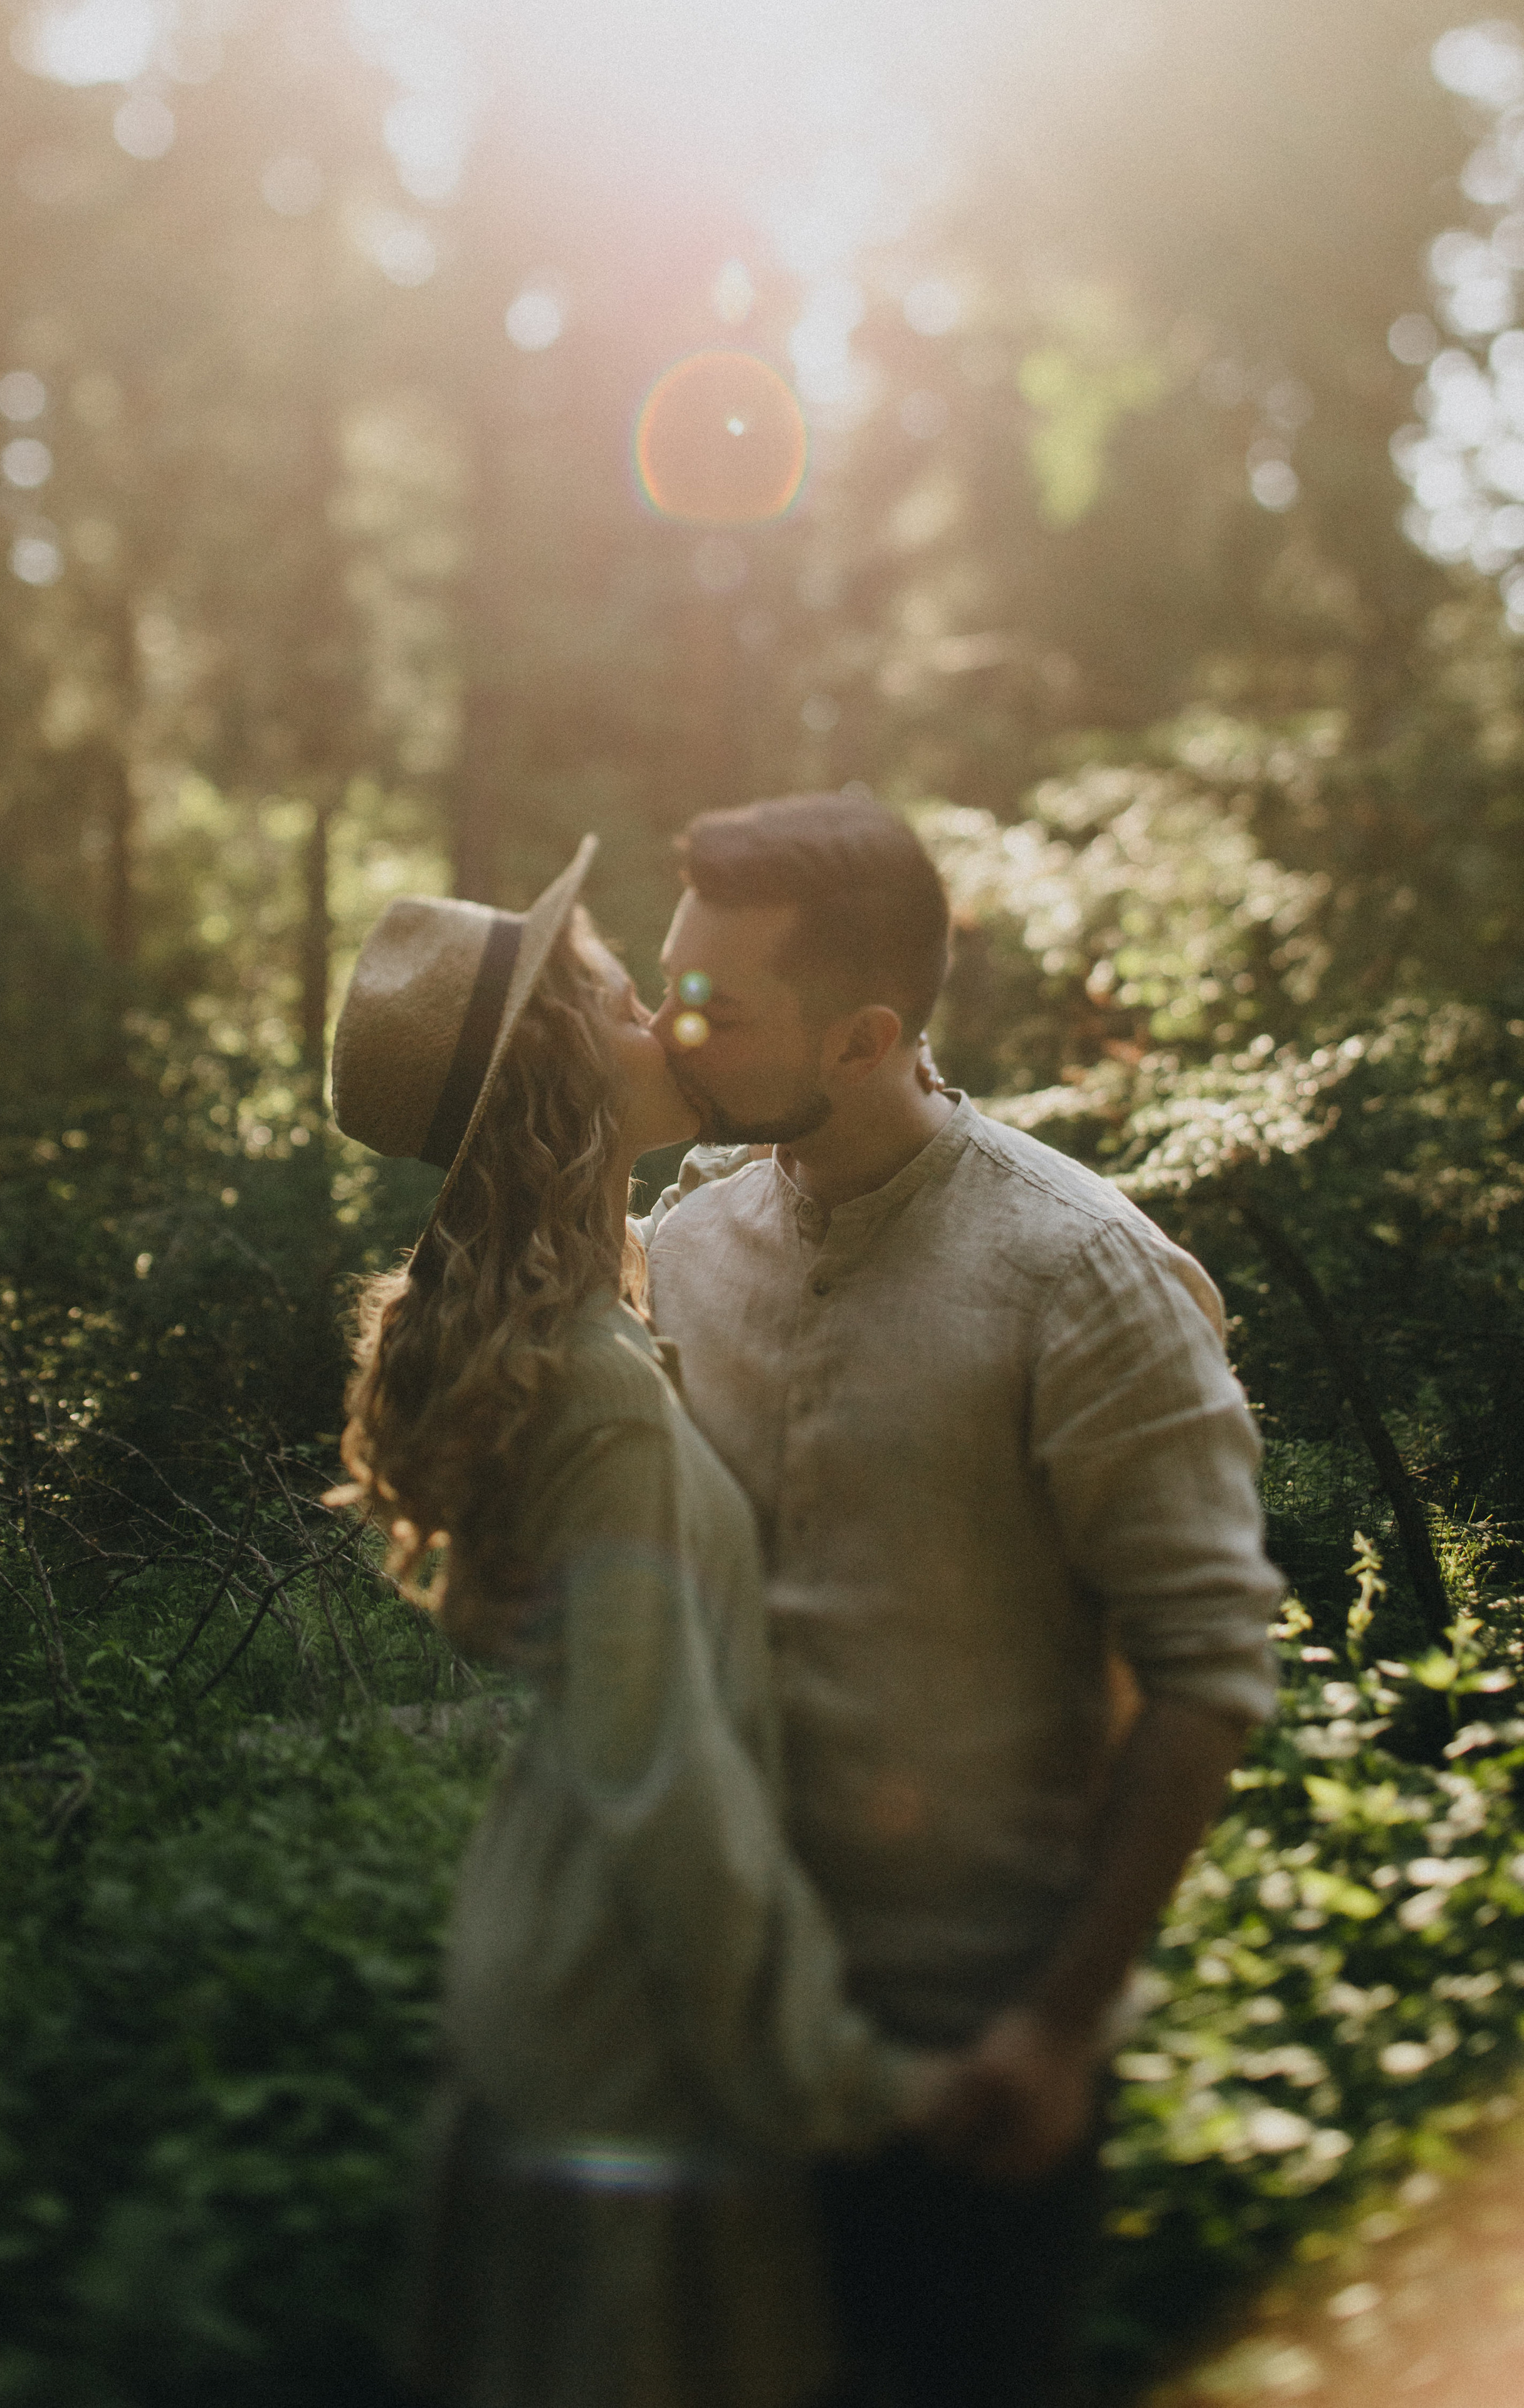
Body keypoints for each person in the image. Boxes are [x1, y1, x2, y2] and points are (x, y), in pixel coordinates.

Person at [638, 791, 1286, 2408]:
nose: (667, 1030)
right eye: (666, 981)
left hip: (965, 2072)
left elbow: (1207, 1669)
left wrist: (1054, 2029)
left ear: (864, 1036)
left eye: (713, 1008)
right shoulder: (687, 1244)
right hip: (710, 2045)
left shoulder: (1080, 1273)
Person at [327, 837, 954, 2408]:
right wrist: (840, 2070)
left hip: (570, 1982)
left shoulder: (590, 1330)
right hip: (624, 2031)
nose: (666, 1021)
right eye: (622, 1003)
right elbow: (664, 1782)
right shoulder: (592, 1385)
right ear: (559, 1082)